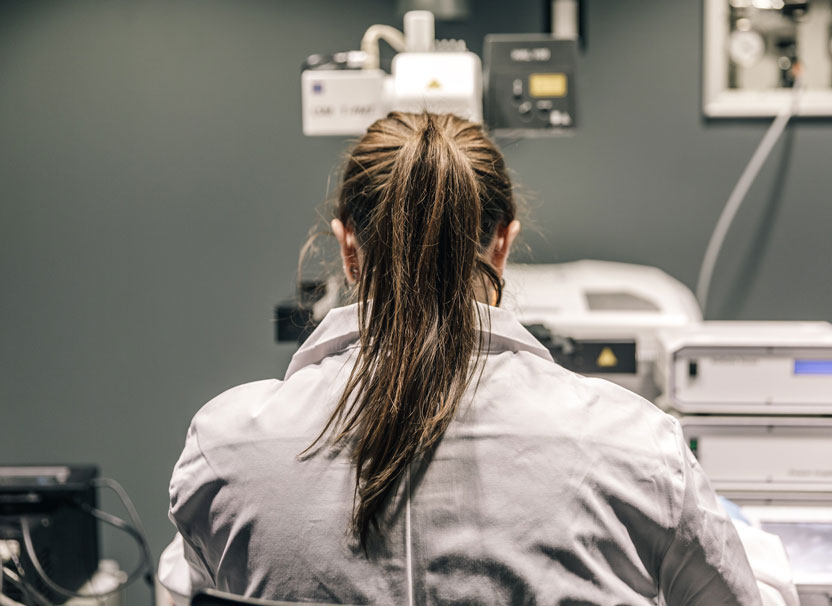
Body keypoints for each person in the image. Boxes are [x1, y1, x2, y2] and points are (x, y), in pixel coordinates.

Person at [162, 112, 762, 605]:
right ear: (502, 244)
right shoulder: (637, 450)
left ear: (347, 249)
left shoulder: (225, 451)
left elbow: (184, 587)